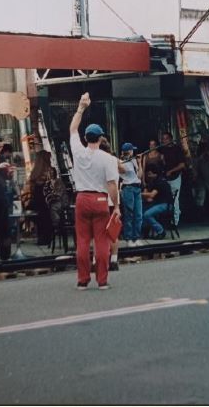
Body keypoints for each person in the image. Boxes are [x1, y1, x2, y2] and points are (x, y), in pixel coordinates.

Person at [69, 93, 120, 290]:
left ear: (85, 137)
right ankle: (102, 280)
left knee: (82, 241)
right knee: (102, 242)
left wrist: (81, 107)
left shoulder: (78, 152)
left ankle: (82, 280)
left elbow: (72, 127)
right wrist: (115, 206)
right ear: (100, 138)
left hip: (82, 198)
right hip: (100, 199)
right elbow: (112, 185)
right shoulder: (107, 159)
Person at [99, 136, 119, 271]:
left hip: (101, 198)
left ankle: (98, 259)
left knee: (99, 231)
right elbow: (124, 169)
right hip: (114, 198)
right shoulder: (113, 159)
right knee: (113, 231)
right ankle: (114, 259)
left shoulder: (96, 160)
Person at [119, 142, 143, 247]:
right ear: (129, 151)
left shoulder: (133, 160)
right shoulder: (121, 162)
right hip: (128, 188)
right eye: (132, 150)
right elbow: (125, 172)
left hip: (137, 188)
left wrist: (139, 162)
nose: (133, 151)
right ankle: (128, 238)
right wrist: (126, 159)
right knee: (129, 214)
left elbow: (139, 176)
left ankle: (136, 237)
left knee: (138, 214)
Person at [27, 150, 54, 246]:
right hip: (47, 200)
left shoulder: (36, 172)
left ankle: (41, 237)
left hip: (37, 199)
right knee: (46, 218)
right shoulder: (49, 170)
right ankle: (47, 237)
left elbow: (32, 184)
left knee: (39, 219)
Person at [160, 132, 186, 226]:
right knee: (167, 199)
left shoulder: (177, 149)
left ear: (170, 139)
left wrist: (171, 171)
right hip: (166, 178)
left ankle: (175, 221)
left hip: (175, 177)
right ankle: (169, 219)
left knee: (175, 199)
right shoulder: (162, 150)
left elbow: (182, 165)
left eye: (166, 138)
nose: (164, 140)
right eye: (163, 139)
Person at [141, 165, 173, 239]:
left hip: (165, 205)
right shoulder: (155, 181)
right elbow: (149, 197)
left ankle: (161, 231)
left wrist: (139, 194)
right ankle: (146, 230)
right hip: (160, 204)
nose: (148, 175)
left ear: (155, 174)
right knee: (144, 208)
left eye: (150, 174)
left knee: (147, 214)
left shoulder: (159, 182)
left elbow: (152, 195)